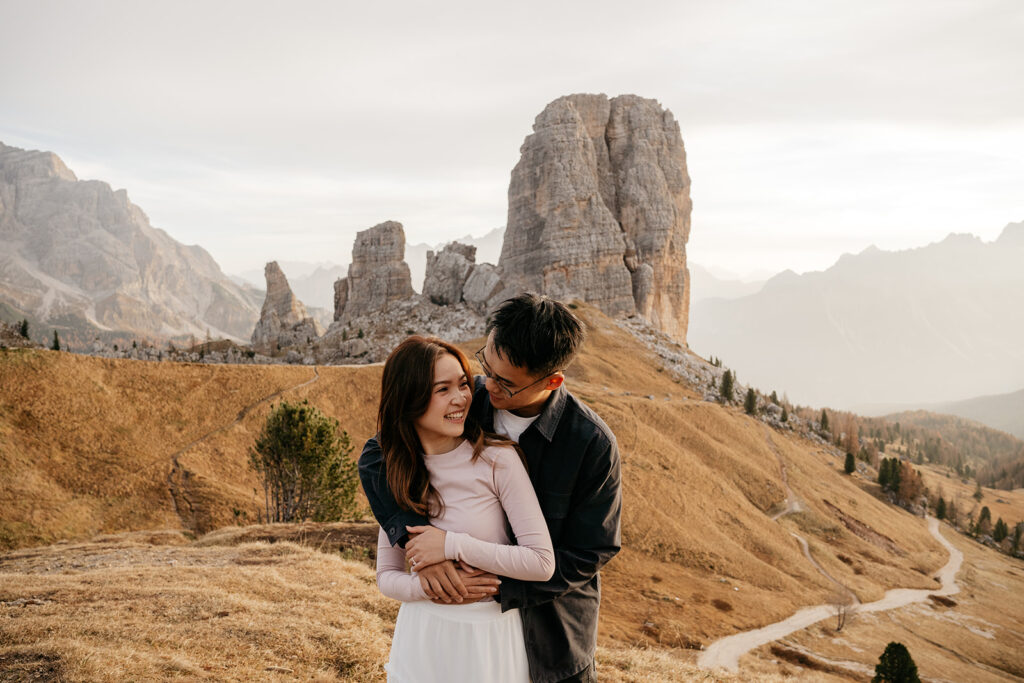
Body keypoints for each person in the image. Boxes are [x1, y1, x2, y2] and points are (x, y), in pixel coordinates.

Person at [361, 293, 623, 683]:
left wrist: (483, 583)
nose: (487, 387)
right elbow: (378, 455)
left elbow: (589, 552)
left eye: (506, 382)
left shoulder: (590, 444)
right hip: (440, 634)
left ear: (551, 381)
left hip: (551, 632)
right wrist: (417, 540)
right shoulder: (467, 400)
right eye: (486, 366)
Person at [372, 335, 556, 682]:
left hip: (488, 640)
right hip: (423, 636)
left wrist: (450, 544)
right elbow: (387, 576)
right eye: (443, 390)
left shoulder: (497, 460)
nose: (461, 398)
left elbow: (541, 562)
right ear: (409, 399)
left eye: (463, 384)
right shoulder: (395, 471)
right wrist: (430, 588)